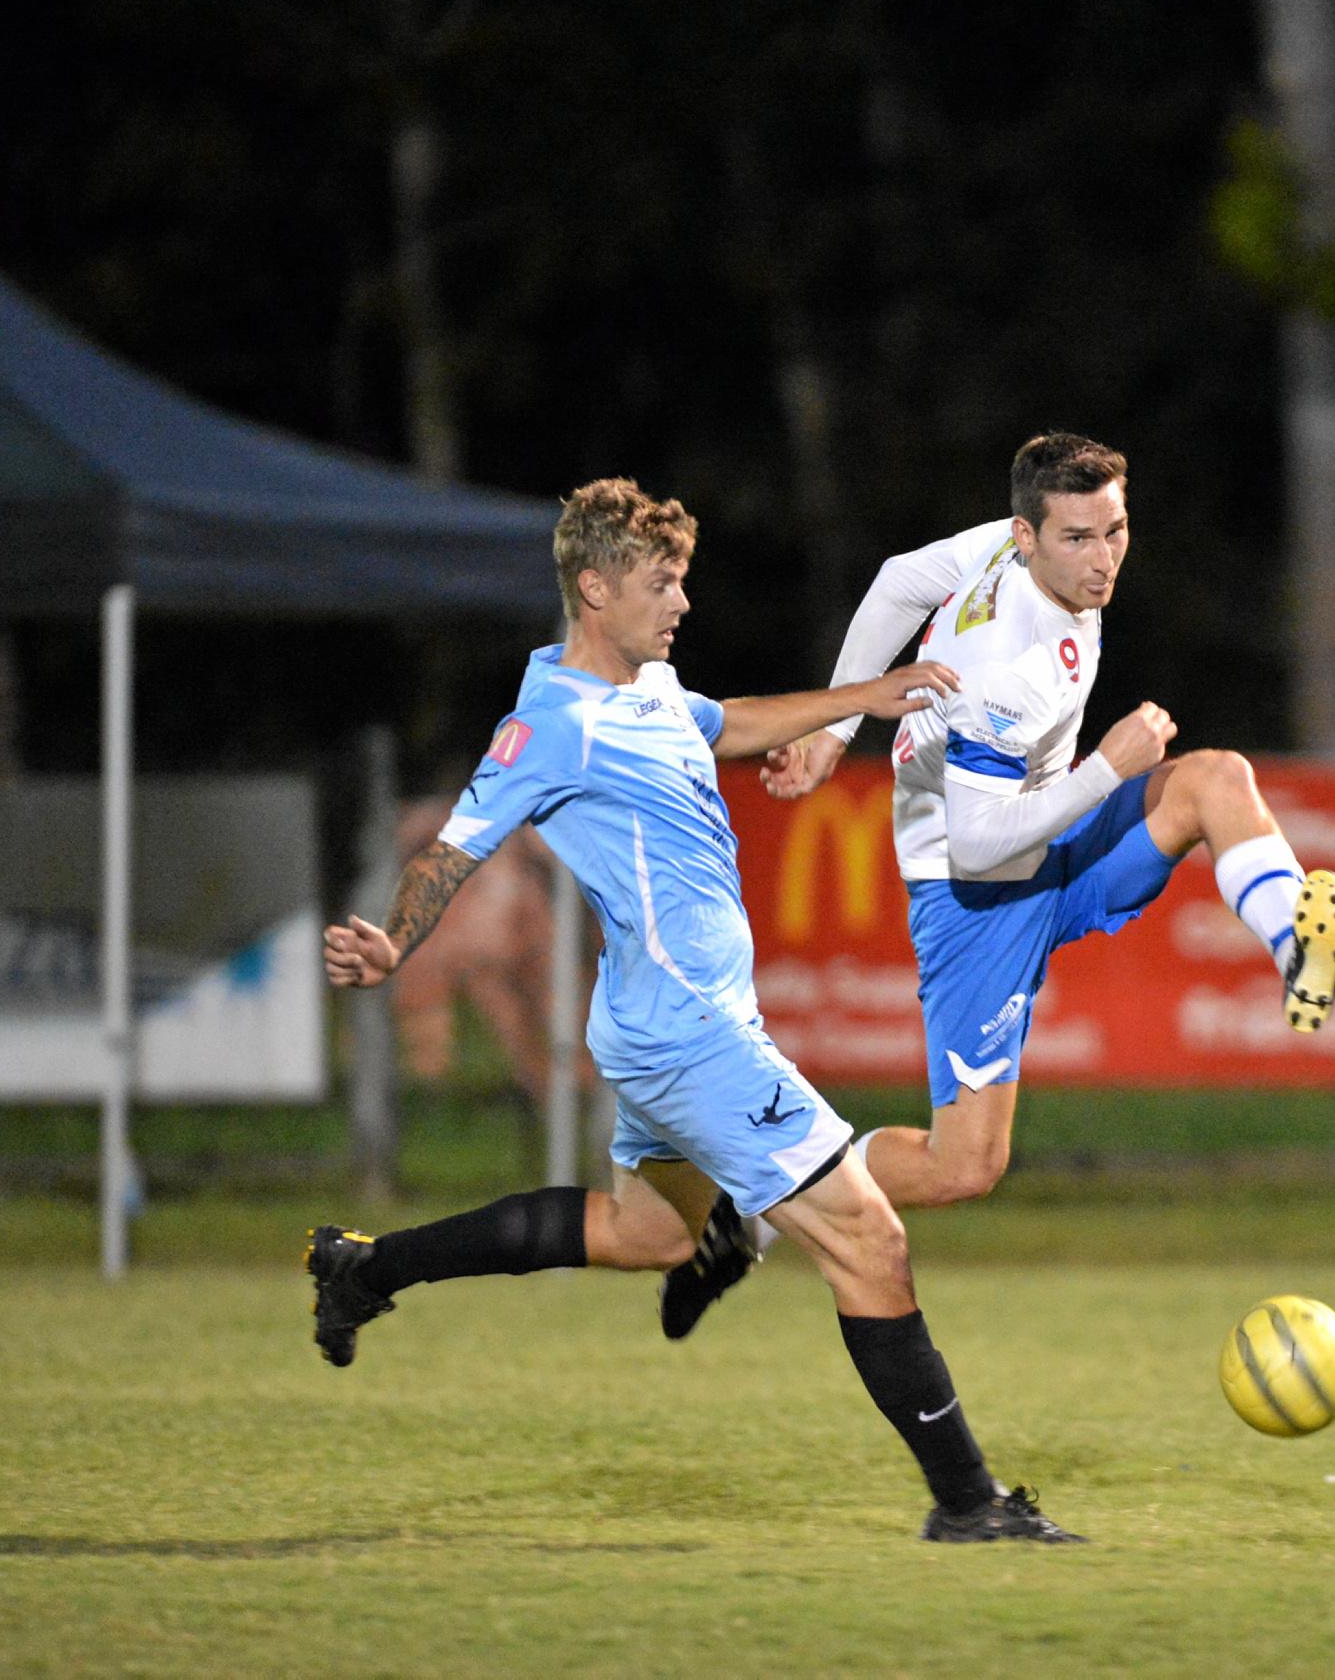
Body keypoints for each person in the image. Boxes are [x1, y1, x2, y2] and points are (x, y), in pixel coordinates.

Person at [309, 477, 1080, 1544]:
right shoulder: (551, 721)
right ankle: (968, 1502)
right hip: (688, 1033)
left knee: (648, 1232)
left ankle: (366, 1267)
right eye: (660, 584)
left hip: (664, 1019)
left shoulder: (654, 688)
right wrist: (395, 938)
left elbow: (729, 721)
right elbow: (454, 844)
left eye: (682, 582)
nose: (680, 603)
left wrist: (857, 697)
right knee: (867, 1236)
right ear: (593, 587)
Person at [754, 432, 1335, 1214]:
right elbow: (978, 847)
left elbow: (897, 581)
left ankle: (1297, 945)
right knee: (963, 1166)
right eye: (1078, 539)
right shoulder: (1005, 670)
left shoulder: (1003, 551)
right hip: (973, 894)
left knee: (1217, 779)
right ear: (1027, 537)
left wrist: (835, 730)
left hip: (1052, 836)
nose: (1103, 560)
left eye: (1115, 531)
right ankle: (776, 1202)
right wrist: (1108, 767)